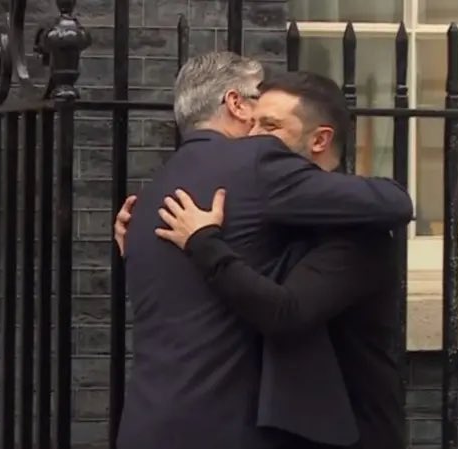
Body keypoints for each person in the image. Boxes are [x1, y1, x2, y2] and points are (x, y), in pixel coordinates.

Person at [116, 52, 412, 449]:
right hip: (230, 427)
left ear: (320, 139)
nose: (256, 136)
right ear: (236, 104)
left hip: (149, 421)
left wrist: (201, 244)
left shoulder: (158, 188)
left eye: (269, 126)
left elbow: (283, 309)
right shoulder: (255, 181)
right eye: (255, 118)